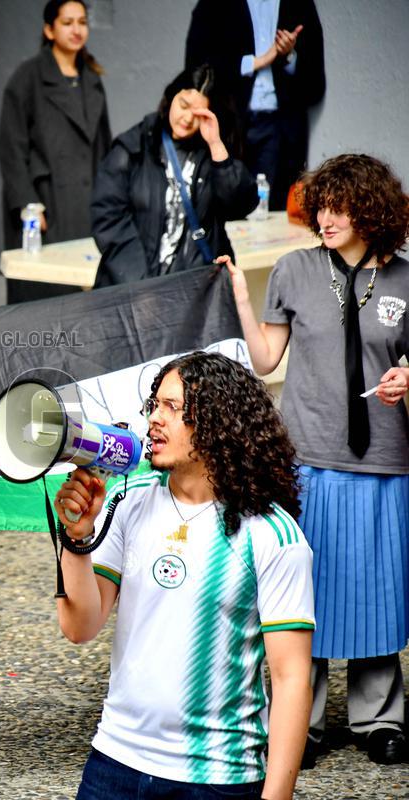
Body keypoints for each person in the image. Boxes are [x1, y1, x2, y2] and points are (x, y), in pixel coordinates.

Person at [219, 153, 409, 767]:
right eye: (319, 206)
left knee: (379, 587)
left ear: (372, 210)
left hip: (384, 458)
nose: (324, 217)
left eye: (340, 206)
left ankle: (380, 718)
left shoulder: (406, 281)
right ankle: (299, 720)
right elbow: (266, 357)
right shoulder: (294, 270)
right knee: (303, 590)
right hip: (305, 457)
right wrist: (242, 303)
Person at [55, 351, 314, 800]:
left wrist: (277, 796)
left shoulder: (273, 535)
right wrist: (77, 538)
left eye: (171, 407)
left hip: (218, 777)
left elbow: (291, 678)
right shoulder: (128, 499)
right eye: (153, 405)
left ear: (219, 420)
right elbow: (79, 626)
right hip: (115, 761)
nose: (154, 419)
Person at [91, 65, 257, 288]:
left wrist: (217, 146)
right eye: (183, 105)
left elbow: (240, 206)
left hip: (196, 291)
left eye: (198, 114)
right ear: (170, 97)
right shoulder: (134, 146)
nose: (187, 118)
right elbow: (107, 216)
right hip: (133, 288)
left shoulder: (213, 152)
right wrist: (141, 285)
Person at [0, 0, 112, 303]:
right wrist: (27, 203)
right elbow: (11, 147)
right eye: (67, 22)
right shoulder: (28, 78)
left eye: (82, 22)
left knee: (85, 292)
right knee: (46, 291)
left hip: (87, 203)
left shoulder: (91, 77)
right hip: (46, 205)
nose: (77, 30)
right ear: (49, 29)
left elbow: (104, 146)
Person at [185, 0, 325, 210]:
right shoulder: (213, 5)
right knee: (223, 207)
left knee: (273, 214)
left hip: (280, 129)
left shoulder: (299, 4)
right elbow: (195, 67)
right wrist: (254, 62)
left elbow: (315, 85)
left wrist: (289, 57)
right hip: (226, 124)